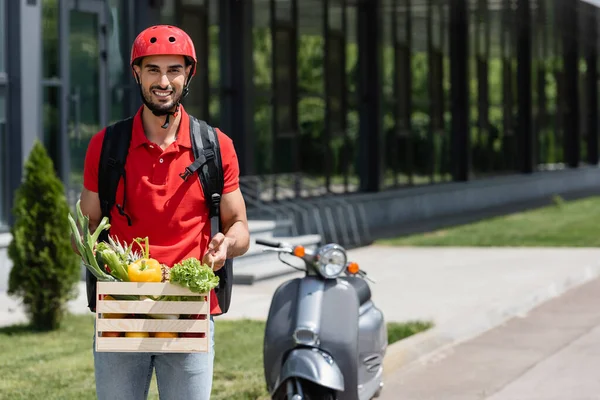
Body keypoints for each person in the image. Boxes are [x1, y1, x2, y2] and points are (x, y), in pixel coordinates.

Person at [77, 25, 250, 400]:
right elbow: (86, 225)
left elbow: (239, 226)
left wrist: (226, 245)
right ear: (136, 73)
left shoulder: (216, 146)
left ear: (189, 74)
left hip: (188, 307)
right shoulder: (105, 147)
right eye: (152, 69)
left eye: (174, 69)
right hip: (122, 310)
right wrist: (93, 254)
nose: (163, 80)